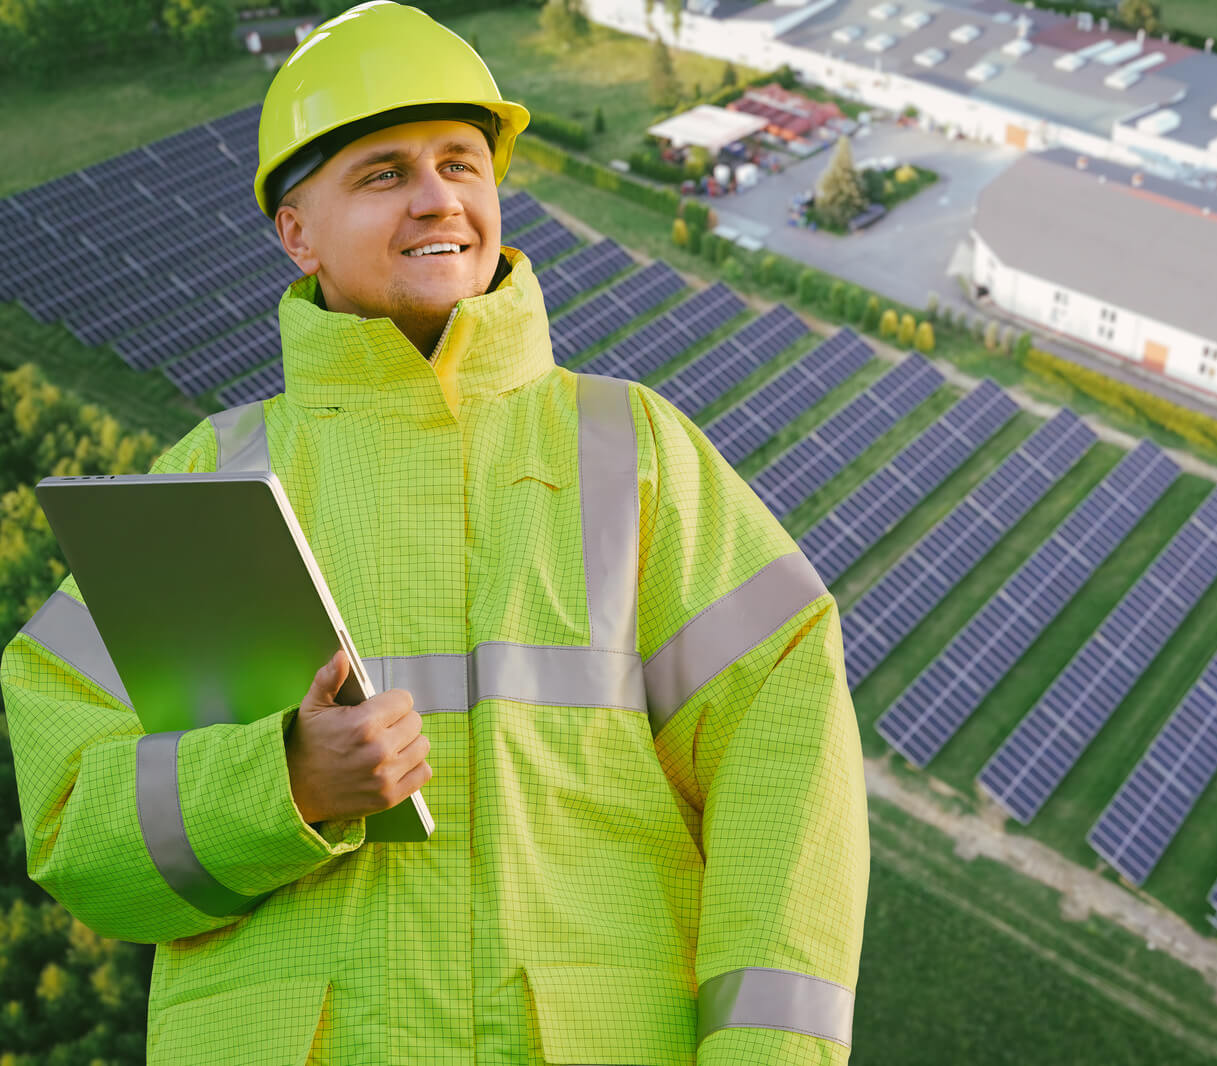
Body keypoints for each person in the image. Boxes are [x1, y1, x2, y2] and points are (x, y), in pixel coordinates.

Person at [0, 3, 870, 1063]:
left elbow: (787, 772)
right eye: (383, 173)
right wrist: (281, 787)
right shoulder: (206, 483)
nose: (438, 199)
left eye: (463, 163)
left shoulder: (633, 453)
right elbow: (73, 820)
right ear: (296, 232)